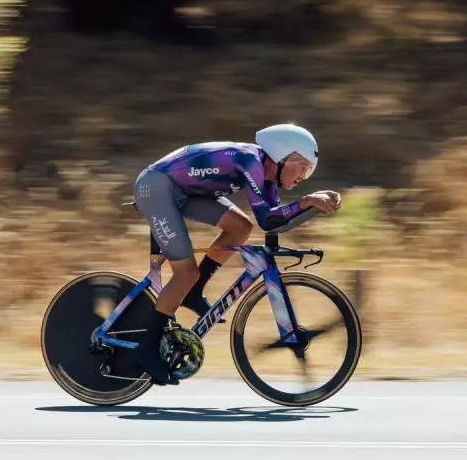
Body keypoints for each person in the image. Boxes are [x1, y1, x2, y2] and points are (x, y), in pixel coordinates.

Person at [131, 123, 341, 384]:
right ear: (282, 156)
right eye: (303, 168)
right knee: (185, 273)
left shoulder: (267, 173)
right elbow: (268, 218)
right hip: (157, 187)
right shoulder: (249, 161)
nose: (303, 177)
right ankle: (145, 347)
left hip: (184, 191)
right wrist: (307, 200)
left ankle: (194, 292)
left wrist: (309, 205)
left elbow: (273, 221)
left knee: (240, 227)